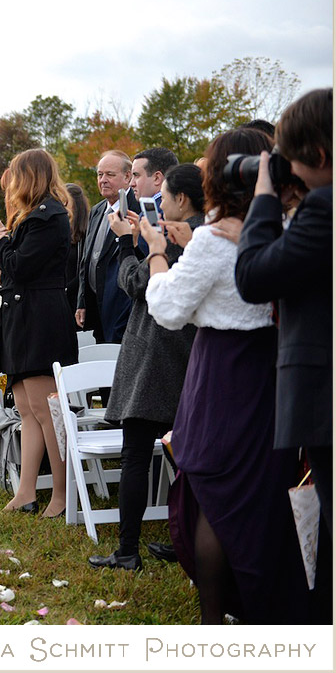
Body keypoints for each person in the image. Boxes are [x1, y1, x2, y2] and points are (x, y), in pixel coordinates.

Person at [142, 127, 316, 624]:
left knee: (216, 496)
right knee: (266, 490)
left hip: (223, 370)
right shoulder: (291, 226)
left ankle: (215, 621)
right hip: (276, 366)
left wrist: (156, 254)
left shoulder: (215, 238)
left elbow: (170, 309)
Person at [88, 163, 204, 571]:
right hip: (188, 355)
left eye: (165, 196)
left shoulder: (180, 235)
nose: (160, 203)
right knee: (184, 455)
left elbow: (137, 282)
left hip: (156, 351)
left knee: (136, 453)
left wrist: (124, 244)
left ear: (182, 199)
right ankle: (187, 536)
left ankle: (128, 550)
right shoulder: (207, 232)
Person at [234, 88, 333, 541]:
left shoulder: (325, 207)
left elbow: (254, 275)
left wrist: (264, 197)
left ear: (316, 153)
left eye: (291, 158)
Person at [0, 150, 77, 515]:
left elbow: (18, 268)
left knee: (46, 411)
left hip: (41, 321)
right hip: (23, 320)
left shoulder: (49, 217)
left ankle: (61, 492)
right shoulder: (33, 217)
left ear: (30, 177)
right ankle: (26, 491)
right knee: (26, 408)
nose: (10, 183)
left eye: (16, 175)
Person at [76, 151, 140, 344]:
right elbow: (86, 260)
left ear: (127, 176)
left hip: (123, 311)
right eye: (99, 174)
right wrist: (82, 301)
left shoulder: (137, 210)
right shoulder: (96, 211)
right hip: (96, 309)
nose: (103, 180)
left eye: (110, 175)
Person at [64, 183, 90, 319]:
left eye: (65, 203)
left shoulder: (87, 234)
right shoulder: (61, 232)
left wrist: (66, 288)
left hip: (76, 302)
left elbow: (84, 270)